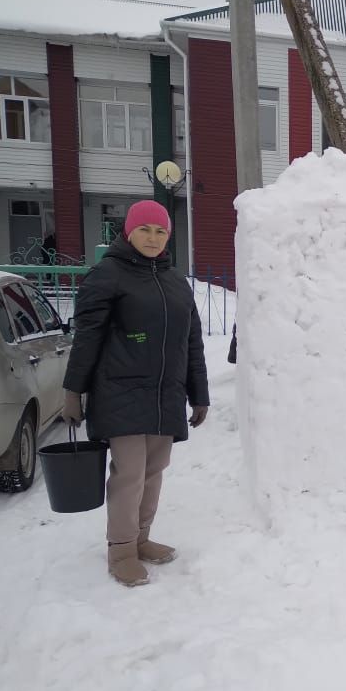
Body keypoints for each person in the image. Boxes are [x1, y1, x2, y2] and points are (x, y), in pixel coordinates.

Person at [62, 200, 209, 587]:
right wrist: (73, 391)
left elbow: (191, 342)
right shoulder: (107, 275)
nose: (153, 237)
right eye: (145, 229)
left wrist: (200, 394)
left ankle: (142, 539)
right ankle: (122, 550)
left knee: (155, 471)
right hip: (120, 391)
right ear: (128, 231)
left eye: (160, 231)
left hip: (165, 395)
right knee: (129, 474)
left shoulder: (175, 282)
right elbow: (87, 338)